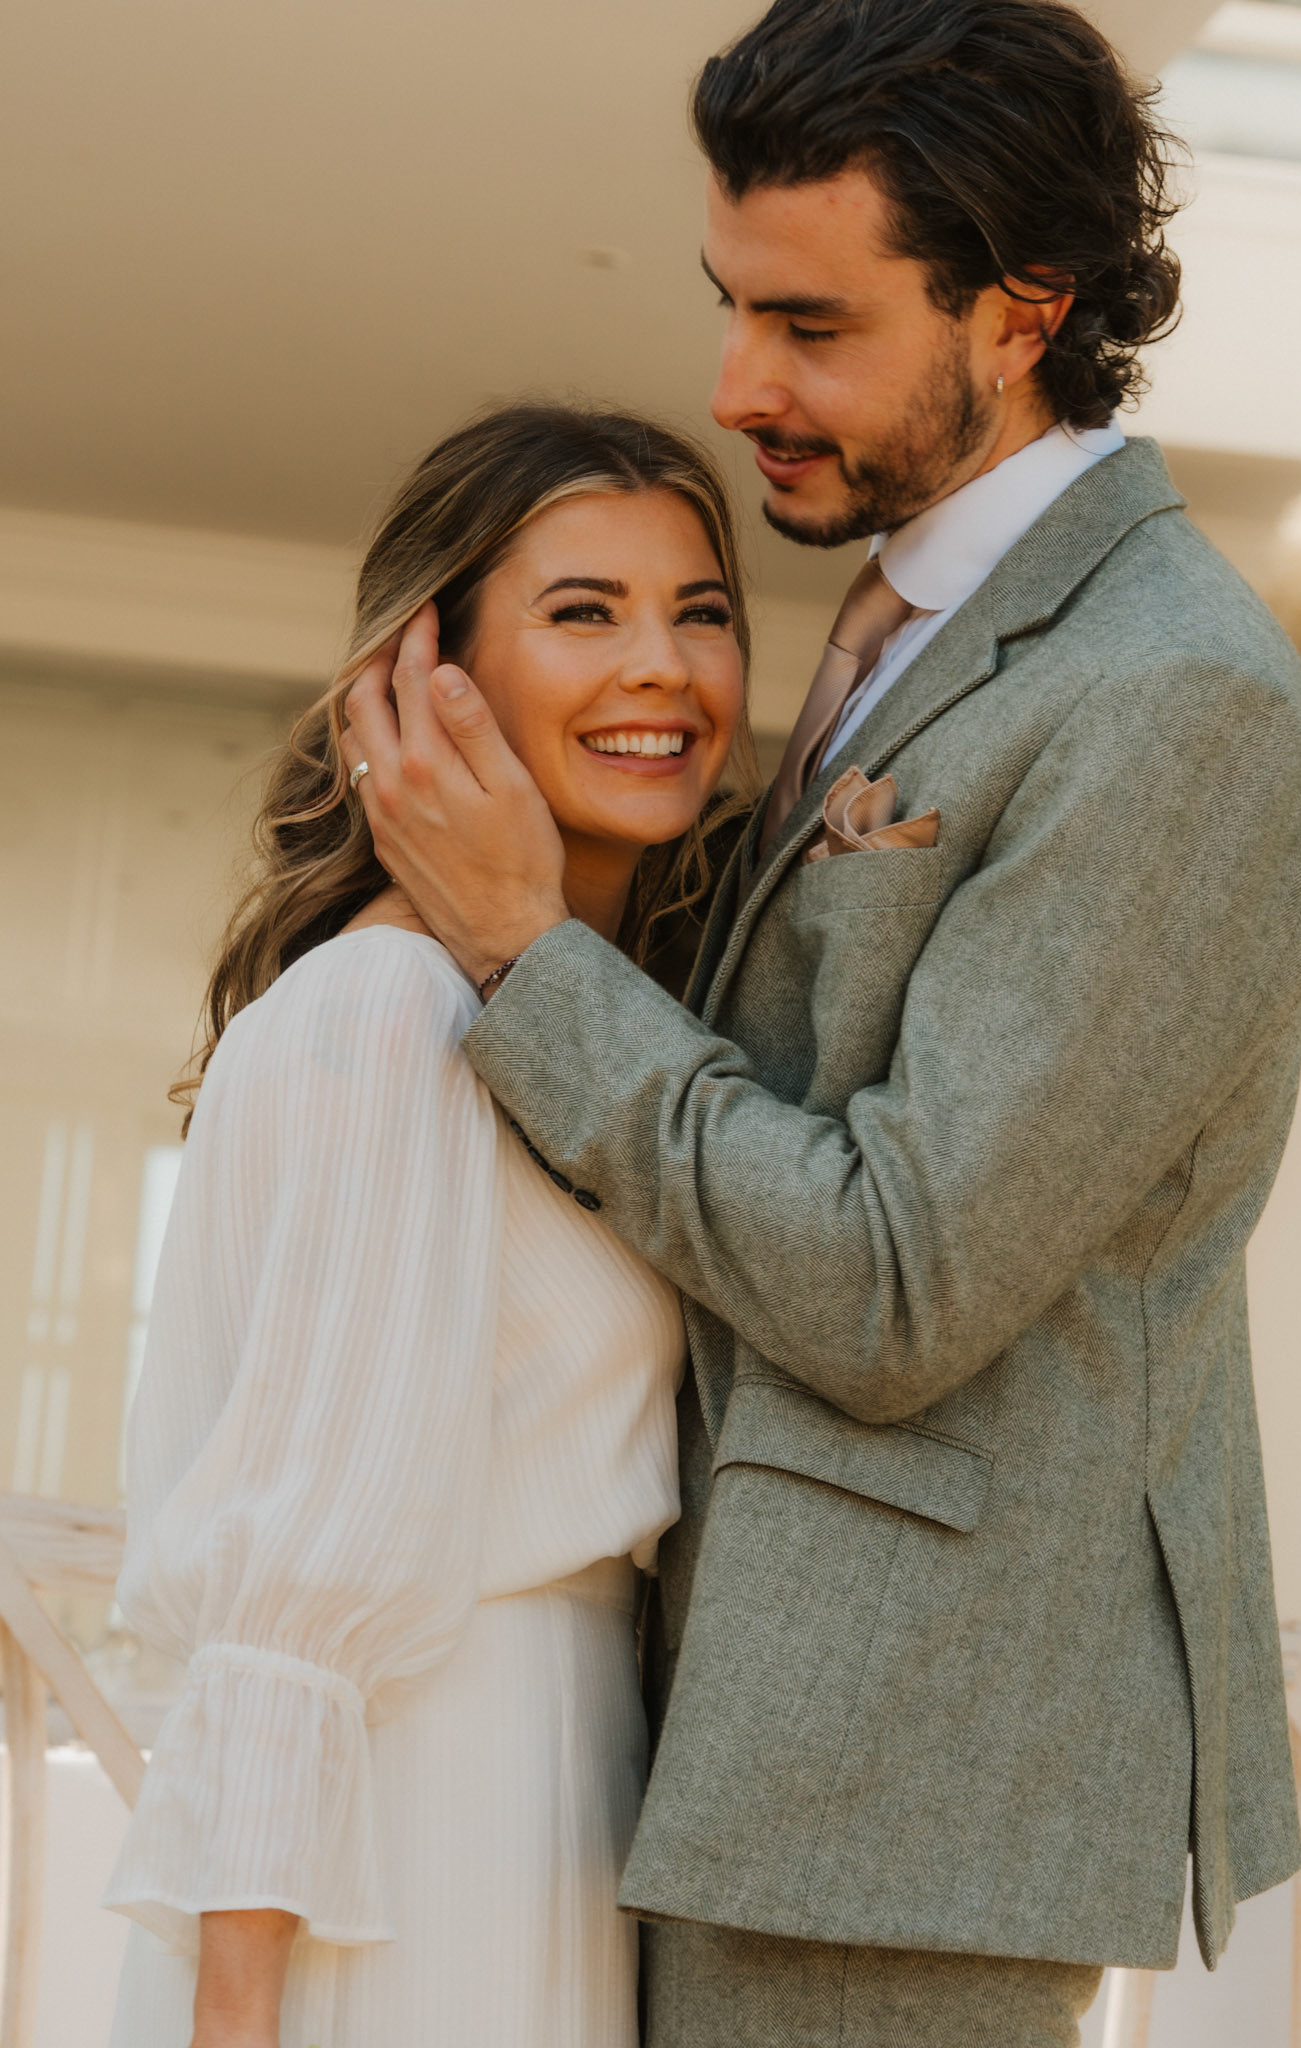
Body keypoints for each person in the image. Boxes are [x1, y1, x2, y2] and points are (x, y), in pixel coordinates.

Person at [340, 4, 1301, 2046]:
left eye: (808, 326)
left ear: (1022, 308)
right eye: (731, 306)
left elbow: (897, 1280)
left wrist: (527, 954)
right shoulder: (922, 616)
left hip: (901, 1780)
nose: (736, 386)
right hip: (734, 1740)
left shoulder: (1177, 702)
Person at [103, 402, 757, 2048]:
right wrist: (237, 2009)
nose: (661, 667)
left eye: (699, 612)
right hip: (407, 1834)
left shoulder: (586, 1035)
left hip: (553, 1802)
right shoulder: (389, 1011)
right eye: (584, 611)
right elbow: (288, 1581)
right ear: (427, 674)